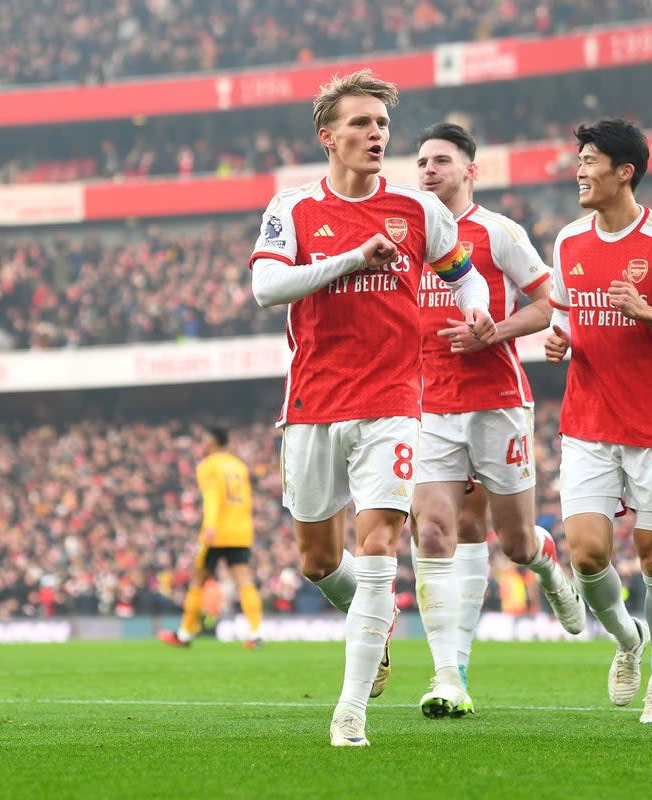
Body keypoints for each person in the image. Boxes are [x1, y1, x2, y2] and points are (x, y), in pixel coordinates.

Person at [248, 69, 496, 747]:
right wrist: (352, 258)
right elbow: (267, 287)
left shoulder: (420, 211)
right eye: (361, 123)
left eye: (383, 124)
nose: (376, 134)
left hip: (393, 402)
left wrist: (477, 318)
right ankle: (377, 615)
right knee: (318, 561)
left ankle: (350, 711)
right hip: (313, 404)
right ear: (328, 135)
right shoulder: (293, 208)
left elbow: (465, 274)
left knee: (381, 542)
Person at [544, 119, 652, 724]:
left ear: (625, 171)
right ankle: (628, 640)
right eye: (579, 160)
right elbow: (567, 315)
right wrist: (559, 339)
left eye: (590, 160)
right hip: (587, 423)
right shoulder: (569, 241)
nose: (580, 171)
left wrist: (651, 314)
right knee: (588, 556)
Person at [411, 122, 586, 715]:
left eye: (441, 161)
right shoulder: (407, 236)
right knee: (435, 528)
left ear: (469, 170)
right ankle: (446, 678)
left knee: (509, 542)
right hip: (428, 405)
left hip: (496, 403)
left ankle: (545, 560)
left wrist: (496, 333)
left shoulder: (498, 233)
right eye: (422, 162)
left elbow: (547, 304)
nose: (428, 170)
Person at [158, 425, 265, 650]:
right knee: (244, 581)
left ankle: (185, 633)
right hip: (241, 531)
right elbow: (246, 500)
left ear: (213, 442)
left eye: (205, 439)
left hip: (216, 532)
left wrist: (210, 526)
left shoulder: (208, 465)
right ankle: (255, 633)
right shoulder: (238, 465)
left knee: (198, 580)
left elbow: (212, 497)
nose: (202, 443)